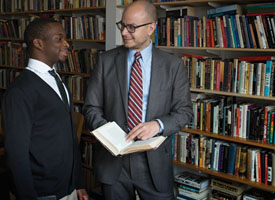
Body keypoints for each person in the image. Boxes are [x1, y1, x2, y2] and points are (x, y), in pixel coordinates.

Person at [83, 1, 193, 199]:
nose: (124, 32)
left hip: (153, 163)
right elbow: (91, 108)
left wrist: (158, 125)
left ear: (151, 27)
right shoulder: (105, 61)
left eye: (131, 27)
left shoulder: (173, 65)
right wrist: (109, 135)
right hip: (113, 161)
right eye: (122, 25)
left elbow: (184, 112)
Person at [2, 18, 89, 200]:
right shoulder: (20, 91)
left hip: (69, 187)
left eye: (65, 38)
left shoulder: (59, 80)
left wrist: (78, 182)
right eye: (59, 39)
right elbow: (16, 153)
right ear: (38, 43)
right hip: (43, 191)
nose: (66, 44)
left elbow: (70, 136)